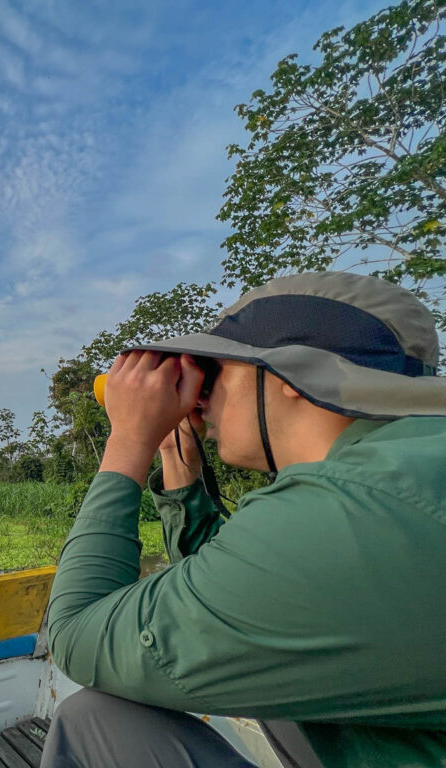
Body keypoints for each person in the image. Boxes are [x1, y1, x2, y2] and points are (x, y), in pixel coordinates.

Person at [41, 272, 446, 768]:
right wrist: (177, 460)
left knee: (91, 716)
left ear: (295, 375)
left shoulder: (349, 508)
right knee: (102, 714)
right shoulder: (391, 471)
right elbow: (226, 590)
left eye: (215, 372)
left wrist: (127, 442)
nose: (200, 397)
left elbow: (76, 631)